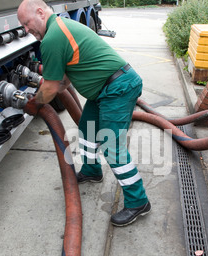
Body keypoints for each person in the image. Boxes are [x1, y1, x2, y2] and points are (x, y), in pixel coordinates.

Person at [17, 0, 150, 226]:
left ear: (40, 13)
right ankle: (92, 170)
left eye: (27, 24)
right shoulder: (60, 27)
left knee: (111, 146)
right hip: (104, 90)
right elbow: (63, 80)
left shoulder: (52, 37)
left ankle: (138, 201)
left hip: (117, 88)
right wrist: (47, 92)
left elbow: (49, 87)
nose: (27, 30)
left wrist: (34, 104)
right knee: (87, 129)